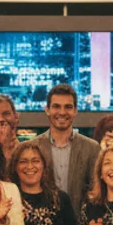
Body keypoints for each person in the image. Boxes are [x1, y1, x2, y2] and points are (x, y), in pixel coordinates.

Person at [36, 84, 101, 217]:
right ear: (47, 109)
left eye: (68, 107)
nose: (62, 112)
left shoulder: (92, 148)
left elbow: (97, 192)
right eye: (56, 106)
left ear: (75, 110)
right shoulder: (33, 147)